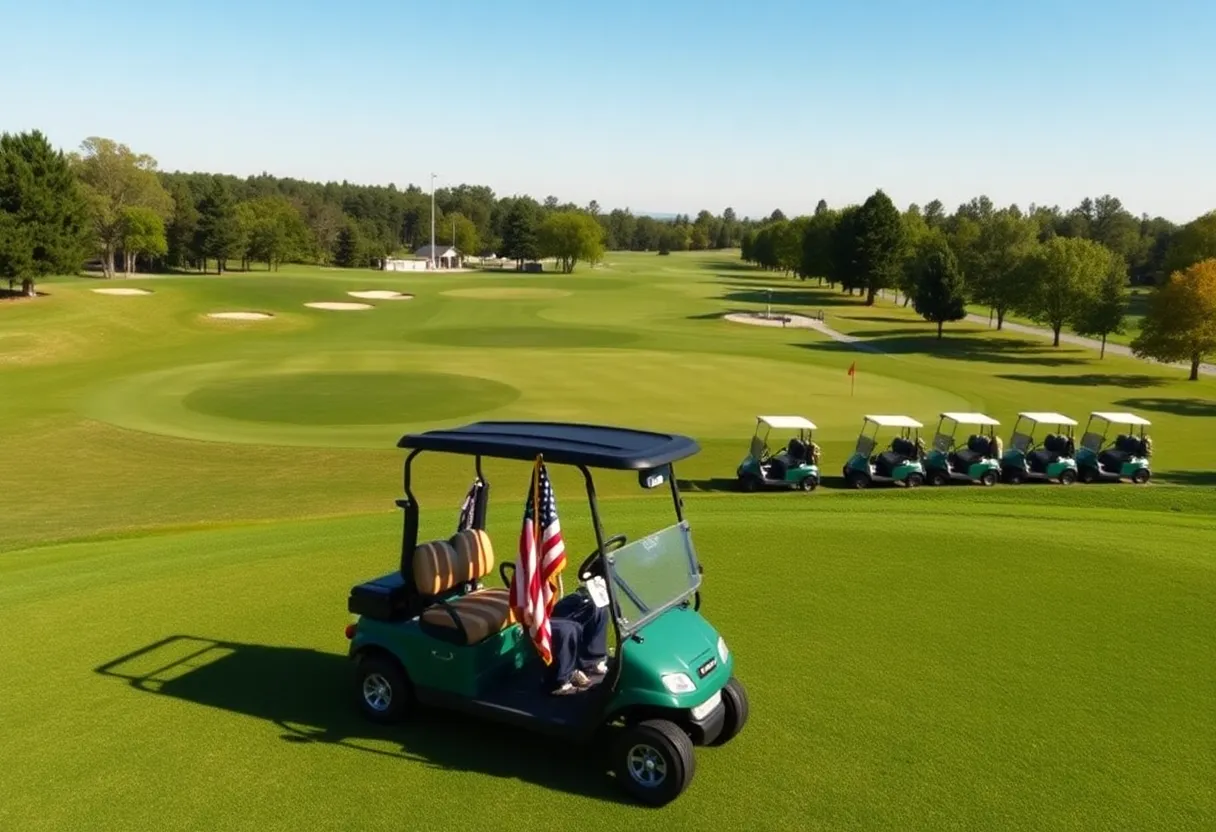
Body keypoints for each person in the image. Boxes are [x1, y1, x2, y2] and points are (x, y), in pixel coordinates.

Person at [547, 583, 609, 695]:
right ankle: (564, 678)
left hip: (551, 605)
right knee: (570, 628)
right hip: (539, 613)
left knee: (598, 607)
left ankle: (592, 661)